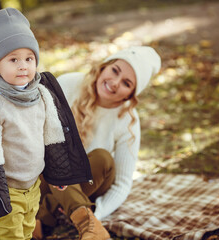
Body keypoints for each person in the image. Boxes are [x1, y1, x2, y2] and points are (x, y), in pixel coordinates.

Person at [0, 8, 92, 240]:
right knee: (10, 236)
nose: (23, 66)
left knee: (26, 232)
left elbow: (52, 136)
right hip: (4, 190)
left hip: (32, 186)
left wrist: (59, 175)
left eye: (29, 58)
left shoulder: (42, 96)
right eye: (13, 59)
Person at [33, 46, 161, 239]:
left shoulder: (128, 120)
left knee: (102, 158)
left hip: (89, 183)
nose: (115, 83)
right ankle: (41, 217)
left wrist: (98, 213)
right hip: (46, 175)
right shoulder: (67, 84)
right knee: (55, 152)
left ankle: (85, 221)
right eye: (115, 70)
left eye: (126, 83)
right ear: (103, 68)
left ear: (130, 95)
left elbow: (122, 184)